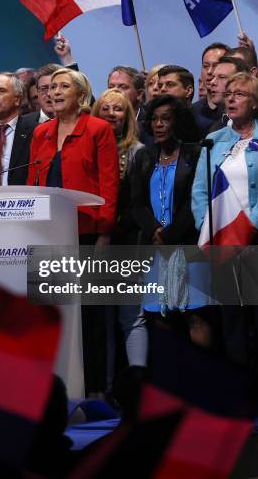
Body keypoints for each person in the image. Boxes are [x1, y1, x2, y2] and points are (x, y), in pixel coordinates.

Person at [27, 68, 119, 396]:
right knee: (52, 313)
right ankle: (53, 388)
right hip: (48, 234)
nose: (54, 92)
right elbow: (33, 183)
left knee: (90, 317)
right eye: (51, 87)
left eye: (63, 86)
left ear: (81, 96)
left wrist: (105, 232)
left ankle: (94, 387)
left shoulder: (98, 129)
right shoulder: (41, 132)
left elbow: (109, 182)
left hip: (87, 233)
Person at [192, 73, 258, 381]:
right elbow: (200, 189)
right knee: (232, 324)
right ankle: (239, 403)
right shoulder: (213, 140)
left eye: (239, 94)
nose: (230, 98)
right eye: (228, 93)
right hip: (223, 243)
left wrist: (251, 227)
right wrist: (208, 227)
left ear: (255, 102)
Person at [130, 95, 211, 344]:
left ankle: (205, 375)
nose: (158, 124)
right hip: (154, 250)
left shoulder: (195, 154)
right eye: (154, 119)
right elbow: (137, 203)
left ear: (178, 121)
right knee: (160, 318)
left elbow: (195, 200)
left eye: (165, 119)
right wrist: (155, 230)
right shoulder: (144, 156)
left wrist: (170, 234)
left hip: (188, 245)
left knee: (194, 314)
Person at [92, 89, 147, 381]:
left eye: (118, 109)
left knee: (130, 317)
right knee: (102, 320)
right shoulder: (86, 147)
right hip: (93, 242)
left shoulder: (138, 151)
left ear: (128, 115)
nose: (111, 114)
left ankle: (137, 384)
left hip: (126, 242)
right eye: (105, 108)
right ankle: (106, 385)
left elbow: (139, 202)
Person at [191, 42, 229, 126]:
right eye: (206, 66)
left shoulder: (236, 109)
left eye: (216, 66)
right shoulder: (192, 113)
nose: (209, 72)